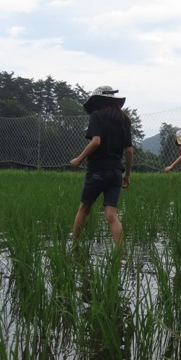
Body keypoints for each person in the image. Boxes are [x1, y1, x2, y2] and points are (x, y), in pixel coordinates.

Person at [70, 85, 133, 251]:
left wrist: (79, 159)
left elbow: (96, 141)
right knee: (111, 215)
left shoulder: (97, 116)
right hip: (116, 173)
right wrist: (127, 174)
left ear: (97, 101)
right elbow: (129, 150)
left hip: (97, 171)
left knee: (84, 208)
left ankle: (75, 247)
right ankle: (121, 253)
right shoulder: (124, 120)